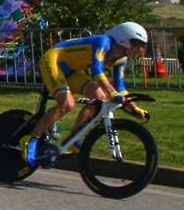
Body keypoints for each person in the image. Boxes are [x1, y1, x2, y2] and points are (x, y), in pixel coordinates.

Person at [24, 21, 152, 167]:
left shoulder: (122, 59)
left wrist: (134, 108)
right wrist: (112, 92)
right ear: (123, 38)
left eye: (142, 46)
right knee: (67, 104)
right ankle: (31, 139)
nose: (140, 49)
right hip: (53, 60)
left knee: (100, 98)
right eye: (136, 44)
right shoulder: (103, 42)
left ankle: (73, 138)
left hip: (72, 71)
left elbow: (121, 87)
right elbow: (97, 70)